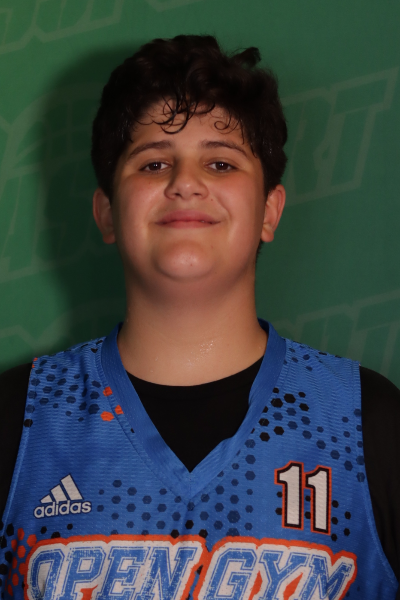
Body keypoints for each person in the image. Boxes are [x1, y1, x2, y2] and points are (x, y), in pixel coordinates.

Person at [0, 35, 399, 599]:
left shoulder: (367, 423)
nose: (185, 182)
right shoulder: (19, 420)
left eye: (220, 162)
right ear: (107, 212)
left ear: (269, 211)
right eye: (154, 163)